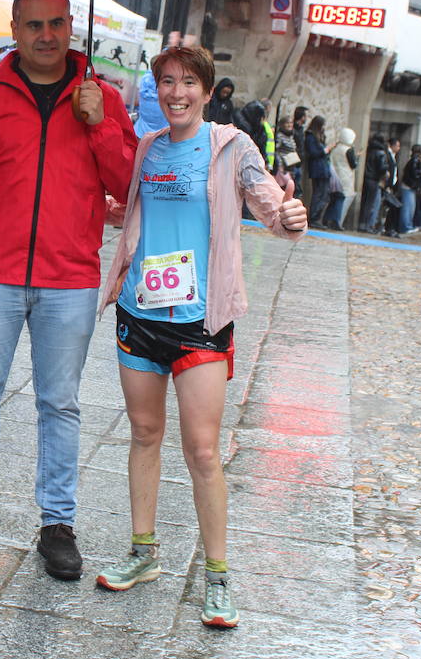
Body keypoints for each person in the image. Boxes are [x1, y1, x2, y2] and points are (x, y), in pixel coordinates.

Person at [94, 45, 306, 628]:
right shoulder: (146, 147)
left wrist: (289, 218)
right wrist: (109, 210)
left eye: (189, 83)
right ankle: (143, 555)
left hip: (200, 322)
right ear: (155, 90)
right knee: (143, 433)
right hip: (140, 311)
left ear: (208, 92)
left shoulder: (230, 146)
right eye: (167, 82)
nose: (177, 93)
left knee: (203, 451)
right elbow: (133, 212)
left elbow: (270, 209)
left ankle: (218, 577)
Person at [0, 0, 137, 580]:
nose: (46, 36)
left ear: (71, 26)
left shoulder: (103, 97)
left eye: (56, 24)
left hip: (69, 275)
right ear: (15, 30)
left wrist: (100, 125)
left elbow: (128, 186)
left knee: (61, 405)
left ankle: (58, 524)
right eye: (33, 25)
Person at [358, 134, 391, 233]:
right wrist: (386, 169)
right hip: (374, 179)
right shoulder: (381, 153)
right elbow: (381, 167)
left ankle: (362, 224)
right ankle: (367, 226)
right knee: (370, 203)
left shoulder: (369, 150)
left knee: (365, 203)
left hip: (367, 178)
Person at [326, 127, 358, 231]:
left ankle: (327, 219)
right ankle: (336, 221)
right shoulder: (349, 150)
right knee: (341, 199)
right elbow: (353, 164)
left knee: (333, 199)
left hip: (335, 175)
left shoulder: (336, 148)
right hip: (345, 176)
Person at [303, 115, 332, 227]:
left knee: (323, 194)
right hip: (318, 169)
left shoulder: (318, 136)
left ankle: (317, 218)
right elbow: (314, 153)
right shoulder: (310, 137)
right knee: (318, 194)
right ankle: (314, 218)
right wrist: (325, 150)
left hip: (323, 168)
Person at [400, 143, 421, 235]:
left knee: (410, 207)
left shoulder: (414, 160)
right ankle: (406, 227)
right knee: (408, 208)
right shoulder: (415, 160)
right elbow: (415, 174)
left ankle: (408, 225)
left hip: (410, 186)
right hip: (409, 186)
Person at [382, 136, 402, 238]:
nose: (398, 148)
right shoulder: (387, 155)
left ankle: (389, 228)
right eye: (397, 146)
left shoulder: (393, 156)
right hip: (387, 185)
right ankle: (387, 228)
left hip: (392, 185)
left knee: (393, 207)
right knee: (392, 206)